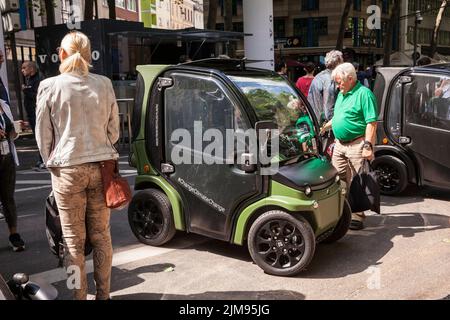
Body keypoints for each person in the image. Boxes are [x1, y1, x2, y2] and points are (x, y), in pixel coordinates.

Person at [36, 31, 120, 300]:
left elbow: (43, 136)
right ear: (88, 54)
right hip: (101, 167)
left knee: (72, 242)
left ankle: (79, 297)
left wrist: (53, 161)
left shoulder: (49, 86)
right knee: (101, 237)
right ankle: (104, 295)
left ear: (62, 54)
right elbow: (114, 131)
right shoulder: (104, 84)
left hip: (67, 169)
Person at [320, 63, 378, 230]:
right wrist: (326, 126)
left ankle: (357, 214)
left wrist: (368, 145)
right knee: (338, 179)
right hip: (339, 145)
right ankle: (342, 210)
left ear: (351, 79)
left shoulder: (364, 94)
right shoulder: (342, 94)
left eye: (340, 82)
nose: (338, 86)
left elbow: (371, 123)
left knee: (356, 181)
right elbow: (340, 116)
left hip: (357, 144)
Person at [0, 99, 24, 252]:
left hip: (6, 157)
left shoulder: (4, 104)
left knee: (8, 198)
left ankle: (14, 235)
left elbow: (11, 134)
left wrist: (16, 128)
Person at [307, 50, 343, 124]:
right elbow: (328, 106)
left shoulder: (318, 77)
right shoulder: (331, 79)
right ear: (338, 63)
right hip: (326, 125)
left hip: (315, 121)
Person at [21, 61, 44, 170]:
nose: (22, 70)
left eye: (24, 67)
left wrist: (26, 91)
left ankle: (43, 160)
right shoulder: (30, 79)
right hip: (31, 114)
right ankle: (41, 159)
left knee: (40, 137)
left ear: (31, 68)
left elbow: (38, 96)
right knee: (38, 137)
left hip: (37, 114)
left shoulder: (38, 79)